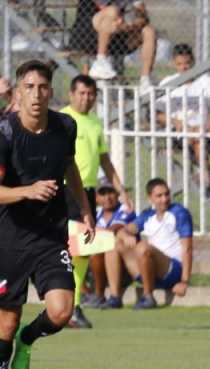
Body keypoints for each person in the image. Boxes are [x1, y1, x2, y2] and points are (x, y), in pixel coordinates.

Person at [0, 60, 96, 369]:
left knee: (61, 311)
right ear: (17, 93)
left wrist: (84, 209)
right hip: (9, 236)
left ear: (51, 92)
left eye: (42, 87)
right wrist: (27, 191)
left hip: (50, 236)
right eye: (29, 87)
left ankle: (29, 338)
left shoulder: (64, 126)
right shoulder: (5, 133)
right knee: (5, 321)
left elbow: (69, 166)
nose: (36, 94)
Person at [60, 74, 133, 328]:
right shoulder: (61, 119)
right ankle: (64, 305)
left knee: (81, 251)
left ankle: (72, 306)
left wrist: (121, 190)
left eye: (90, 94)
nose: (86, 98)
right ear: (71, 94)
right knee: (66, 250)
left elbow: (104, 159)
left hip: (86, 193)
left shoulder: (94, 122)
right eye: (81, 93)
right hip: (64, 191)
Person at [107, 178, 192, 309]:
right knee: (114, 245)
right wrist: (125, 236)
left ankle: (148, 296)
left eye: (167, 194)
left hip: (172, 271)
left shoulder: (179, 212)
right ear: (150, 198)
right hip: (149, 271)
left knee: (142, 247)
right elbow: (122, 231)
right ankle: (114, 297)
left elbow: (187, 248)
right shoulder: (148, 215)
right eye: (159, 196)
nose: (164, 199)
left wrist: (185, 281)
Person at [156, 43, 210, 166]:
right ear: (173, 63)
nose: (184, 68)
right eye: (179, 64)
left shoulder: (205, 80)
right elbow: (157, 114)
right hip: (178, 131)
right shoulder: (167, 82)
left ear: (193, 62)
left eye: (187, 63)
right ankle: (205, 176)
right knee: (197, 138)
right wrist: (175, 122)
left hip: (205, 129)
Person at [70, 0, 156, 87]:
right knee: (113, 11)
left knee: (149, 31)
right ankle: (101, 61)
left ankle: (145, 80)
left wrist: (129, 25)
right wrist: (123, 23)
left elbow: (143, 18)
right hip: (87, 33)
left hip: (117, 36)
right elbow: (105, 9)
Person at [82, 184, 135, 309]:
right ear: (96, 198)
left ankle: (99, 295)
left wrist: (94, 232)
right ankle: (85, 293)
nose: (107, 197)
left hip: (123, 267)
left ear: (118, 195)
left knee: (99, 252)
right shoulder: (96, 213)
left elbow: (114, 228)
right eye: (103, 193)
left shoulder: (125, 210)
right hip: (99, 266)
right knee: (72, 250)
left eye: (111, 192)